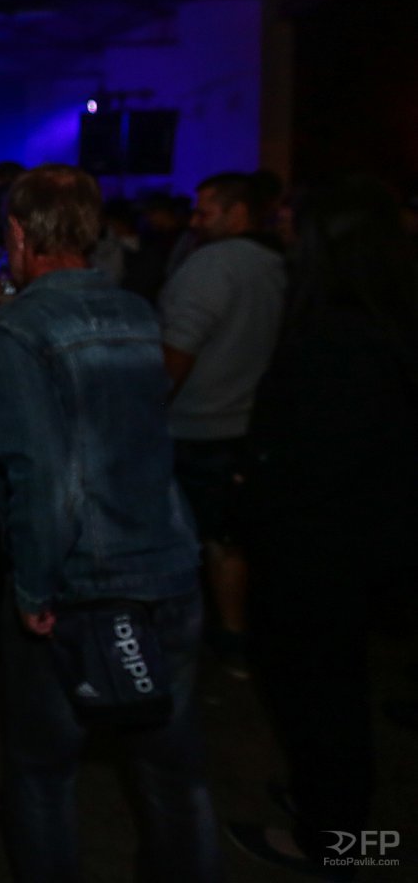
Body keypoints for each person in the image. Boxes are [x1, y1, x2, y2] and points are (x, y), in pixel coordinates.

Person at [0, 164, 216, 883]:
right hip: (169, 567)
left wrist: (33, 589)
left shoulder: (13, 330)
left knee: (43, 774)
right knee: (175, 773)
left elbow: (43, 475)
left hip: (80, 584)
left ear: (17, 233)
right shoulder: (137, 311)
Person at [226, 178, 418, 877]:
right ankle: (325, 800)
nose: (284, 235)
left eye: (295, 225)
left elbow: (315, 462)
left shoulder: (338, 339)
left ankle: (333, 839)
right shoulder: (379, 321)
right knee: (331, 688)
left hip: (320, 553)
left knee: (320, 693)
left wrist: (256, 489)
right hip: (353, 546)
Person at [157, 171, 286, 676]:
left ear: (238, 214)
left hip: (200, 427)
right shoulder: (279, 263)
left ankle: (208, 641)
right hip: (252, 424)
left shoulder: (212, 265)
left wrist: (148, 408)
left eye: (205, 211)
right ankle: (235, 635)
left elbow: (177, 353)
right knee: (232, 538)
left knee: (199, 540)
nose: (194, 220)